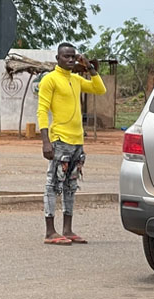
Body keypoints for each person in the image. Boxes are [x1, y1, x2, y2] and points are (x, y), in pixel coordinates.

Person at [38, 42, 106, 245]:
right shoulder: (50, 80)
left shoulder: (76, 80)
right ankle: (50, 231)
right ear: (57, 59)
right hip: (60, 140)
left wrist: (90, 67)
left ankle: (67, 229)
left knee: (71, 185)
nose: (69, 59)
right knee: (53, 184)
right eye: (65, 56)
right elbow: (42, 110)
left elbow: (99, 88)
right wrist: (45, 142)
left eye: (72, 56)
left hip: (77, 140)